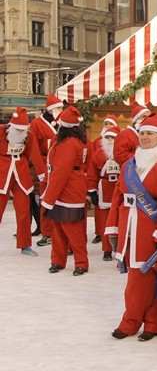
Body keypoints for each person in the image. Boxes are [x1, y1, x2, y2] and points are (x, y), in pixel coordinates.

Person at [106, 115, 157, 341]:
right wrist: (113, 228)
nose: (144, 137)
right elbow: (117, 197)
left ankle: (130, 321)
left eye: (150, 133)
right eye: (142, 133)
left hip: (152, 227)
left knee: (141, 277)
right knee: (145, 277)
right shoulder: (131, 163)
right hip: (129, 225)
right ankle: (154, 322)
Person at [40, 106, 89, 275]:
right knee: (59, 228)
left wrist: (49, 198)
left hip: (68, 189)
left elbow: (60, 172)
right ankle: (58, 261)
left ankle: (80, 262)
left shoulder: (67, 144)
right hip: (68, 187)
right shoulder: (69, 141)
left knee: (71, 229)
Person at [0, 108, 46, 256]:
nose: (20, 132)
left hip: (21, 173)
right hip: (3, 172)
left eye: (22, 130)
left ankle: (25, 244)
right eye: (18, 129)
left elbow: (30, 153)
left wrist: (40, 173)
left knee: (24, 211)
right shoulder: (1, 132)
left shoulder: (28, 135)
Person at [29, 94, 64, 247]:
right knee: (45, 199)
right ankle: (47, 232)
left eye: (61, 108)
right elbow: (33, 149)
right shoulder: (36, 124)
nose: (60, 110)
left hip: (60, 165)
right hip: (45, 164)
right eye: (57, 108)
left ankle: (60, 231)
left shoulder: (63, 123)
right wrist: (40, 170)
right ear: (50, 110)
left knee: (60, 199)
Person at [86, 126, 121, 261]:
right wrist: (92, 191)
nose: (110, 140)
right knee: (105, 223)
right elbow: (92, 174)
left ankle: (119, 248)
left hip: (118, 190)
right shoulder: (98, 154)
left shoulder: (122, 153)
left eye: (113, 137)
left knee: (119, 222)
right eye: (108, 137)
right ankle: (106, 250)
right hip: (104, 191)